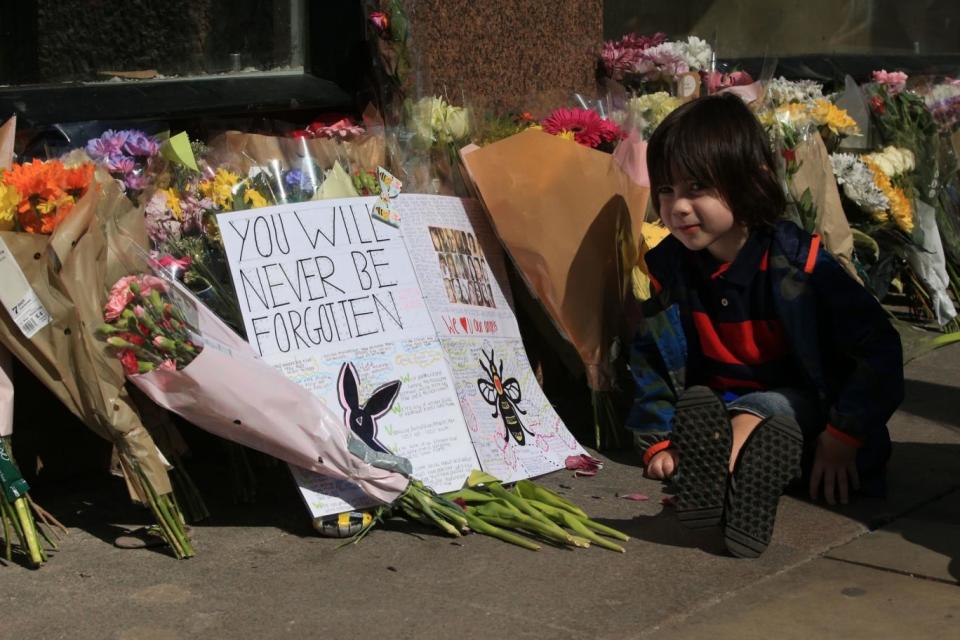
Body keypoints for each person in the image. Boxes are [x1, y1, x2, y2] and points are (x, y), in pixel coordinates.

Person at [626, 94, 904, 558]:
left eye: (697, 188)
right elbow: (651, 362)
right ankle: (732, 482)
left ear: (750, 182)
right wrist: (658, 443)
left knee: (769, 406)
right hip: (715, 412)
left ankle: (714, 476)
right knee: (721, 414)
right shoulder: (671, 269)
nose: (677, 207)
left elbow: (878, 349)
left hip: (808, 412)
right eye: (667, 190)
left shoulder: (802, 265)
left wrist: (843, 436)